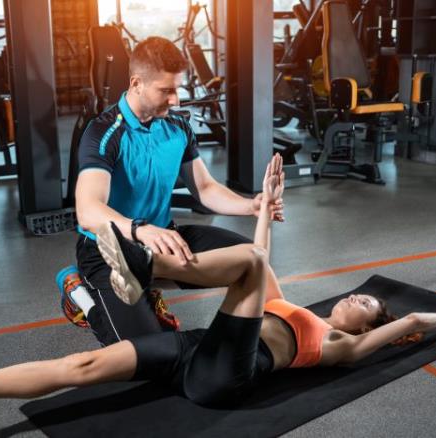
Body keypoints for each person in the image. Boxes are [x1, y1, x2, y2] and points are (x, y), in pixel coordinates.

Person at [0, 155, 436, 432]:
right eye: (359, 297)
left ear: (362, 326)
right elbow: (262, 254)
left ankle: (143, 269)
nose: (353, 300)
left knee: (249, 261)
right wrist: (264, 197)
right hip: (194, 348)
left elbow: (401, 330)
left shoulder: (338, 345)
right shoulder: (287, 305)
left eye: (365, 307)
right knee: (85, 364)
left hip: (230, 376)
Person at [73, 35, 283, 345]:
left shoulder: (178, 127)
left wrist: (250, 206)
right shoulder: (104, 132)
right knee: (149, 354)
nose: (176, 101)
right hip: (108, 252)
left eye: (178, 90)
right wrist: (141, 230)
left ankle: (272, 338)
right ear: (136, 83)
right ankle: (83, 297)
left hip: (163, 241)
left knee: (252, 263)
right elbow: (88, 210)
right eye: (166, 91)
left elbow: (205, 188)